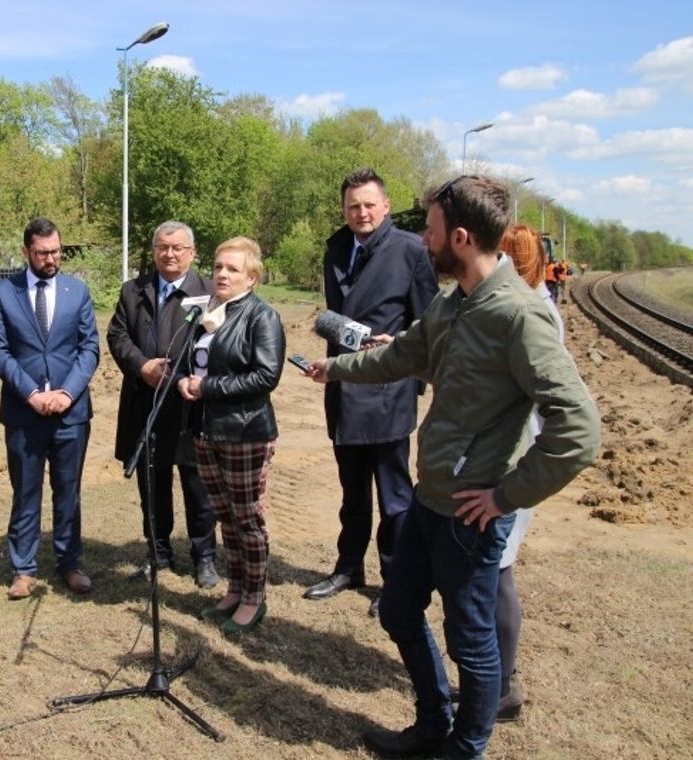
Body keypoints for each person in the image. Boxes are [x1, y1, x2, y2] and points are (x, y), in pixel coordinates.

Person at [303, 175, 600, 759]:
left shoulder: (518, 317)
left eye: (431, 230)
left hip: (472, 513)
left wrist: (506, 495)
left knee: (471, 641)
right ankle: (434, 722)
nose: (423, 238)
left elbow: (579, 430)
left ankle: (467, 747)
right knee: (397, 608)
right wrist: (333, 369)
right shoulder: (452, 302)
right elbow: (403, 354)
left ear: (459, 238)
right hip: (429, 498)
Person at [304, 168, 438, 618]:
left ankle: (396, 581)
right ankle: (348, 568)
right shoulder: (336, 247)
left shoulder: (411, 250)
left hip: (388, 389)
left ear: (386, 205)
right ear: (344, 210)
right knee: (352, 493)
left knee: (395, 497)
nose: (361, 213)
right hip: (343, 387)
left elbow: (428, 323)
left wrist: (410, 371)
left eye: (368, 205)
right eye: (352, 206)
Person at [0, 218, 100, 599]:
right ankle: (23, 569)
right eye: (42, 252)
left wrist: (67, 393)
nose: (51, 259)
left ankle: (70, 564)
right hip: (24, 411)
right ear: (26, 252)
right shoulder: (4, 293)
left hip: (71, 413)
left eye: (56, 251)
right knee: (26, 491)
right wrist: (31, 393)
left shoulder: (77, 291)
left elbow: (89, 349)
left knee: (68, 490)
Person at [176, 237, 285, 635]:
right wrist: (186, 384)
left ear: (251, 278)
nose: (222, 274)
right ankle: (236, 588)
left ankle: (254, 597)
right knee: (226, 518)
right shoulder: (207, 312)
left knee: (247, 519)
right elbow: (195, 364)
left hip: (245, 432)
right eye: (219, 267)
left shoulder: (261, 316)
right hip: (206, 430)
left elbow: (265, 376)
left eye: (233, 269)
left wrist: (206, 388)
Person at [107, 221, 219, 588]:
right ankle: (158, 552)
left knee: (198, 485)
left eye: (177, 248)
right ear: (154, 250)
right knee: (152, 484)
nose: (169, 254)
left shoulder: (209, 292)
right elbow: (117, 334)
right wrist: (141, 366)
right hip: (146, 401)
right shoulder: (132, 291)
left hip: (191, 406)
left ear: (192, 253)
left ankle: (204, 556)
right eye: (162, 247)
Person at [493, 223, 565, 721]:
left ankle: (502, 686)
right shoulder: (525, 305)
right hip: (510, 458)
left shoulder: (532, 313)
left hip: (516, 463)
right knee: (496, 573)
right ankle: (498, 678)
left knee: (498, 575)